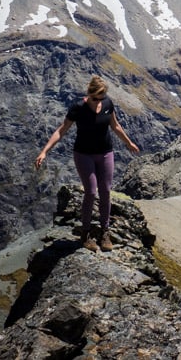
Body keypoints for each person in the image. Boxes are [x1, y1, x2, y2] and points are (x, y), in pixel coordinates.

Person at [35, 75, 140, 251]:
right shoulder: (78, 107)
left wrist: (128, 142)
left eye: (101, 97)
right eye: (95, 97)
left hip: (106, 153)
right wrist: (44, 151)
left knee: (106, 191)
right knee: (91, 192)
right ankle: (85, 233)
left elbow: (115, 126)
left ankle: (104, 231)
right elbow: (62, 130)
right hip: (84, 154)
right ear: (89, 94)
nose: (99, 100)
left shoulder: (108, 104)